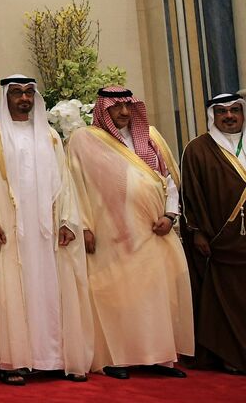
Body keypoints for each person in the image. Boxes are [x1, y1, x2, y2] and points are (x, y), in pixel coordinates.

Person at [0, 76, 93, 384]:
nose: (23, 98)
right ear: (5, 97)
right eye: (16, 93)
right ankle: (13, 362)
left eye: (28, 93)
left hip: (47, 232)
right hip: (10, 231)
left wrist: (66, 220)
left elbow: (64, 181)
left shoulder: (49, 136)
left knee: (50, 290)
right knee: (10, 291)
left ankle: (53, 358)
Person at [66, 86, 192, 379]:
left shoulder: (150, 137)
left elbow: (168, 180)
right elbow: (75, 184)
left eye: (127, 107)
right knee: (116, 295)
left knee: (156, 294)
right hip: (110, 232)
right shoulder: (85, 140)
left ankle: (159, 357)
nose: (123, 113)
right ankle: (117, 359)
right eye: (116, 108)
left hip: (154, 230)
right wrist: (83, 226)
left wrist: (171, 214)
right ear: (103, 110)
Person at [179, 92, 246, 373]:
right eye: (221, 112)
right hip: (222, 241)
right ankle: (230, 355)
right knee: (226, 299)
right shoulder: (198, 150)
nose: (228, 116)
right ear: (212, 116)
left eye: (234, 111)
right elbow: (191, 197)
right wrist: (198, 232)